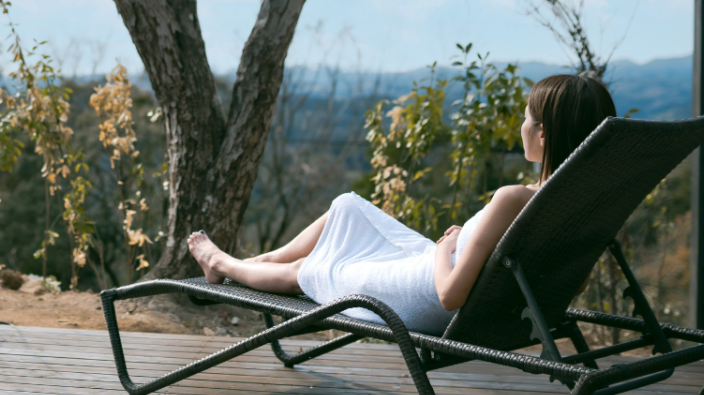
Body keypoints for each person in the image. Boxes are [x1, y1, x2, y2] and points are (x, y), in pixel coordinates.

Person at [187, 73, 617, 334]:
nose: (521, 125)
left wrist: (451, 244)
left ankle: (222, 263)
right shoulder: (582, 205)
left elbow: (450, 296)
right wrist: (462, 246)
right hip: (444, 277)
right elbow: (572, 284)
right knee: (349, 206)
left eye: (526, 117)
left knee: (309, 271)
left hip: (423, 293)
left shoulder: (514, 199)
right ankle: (260, 261)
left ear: (542, 135)